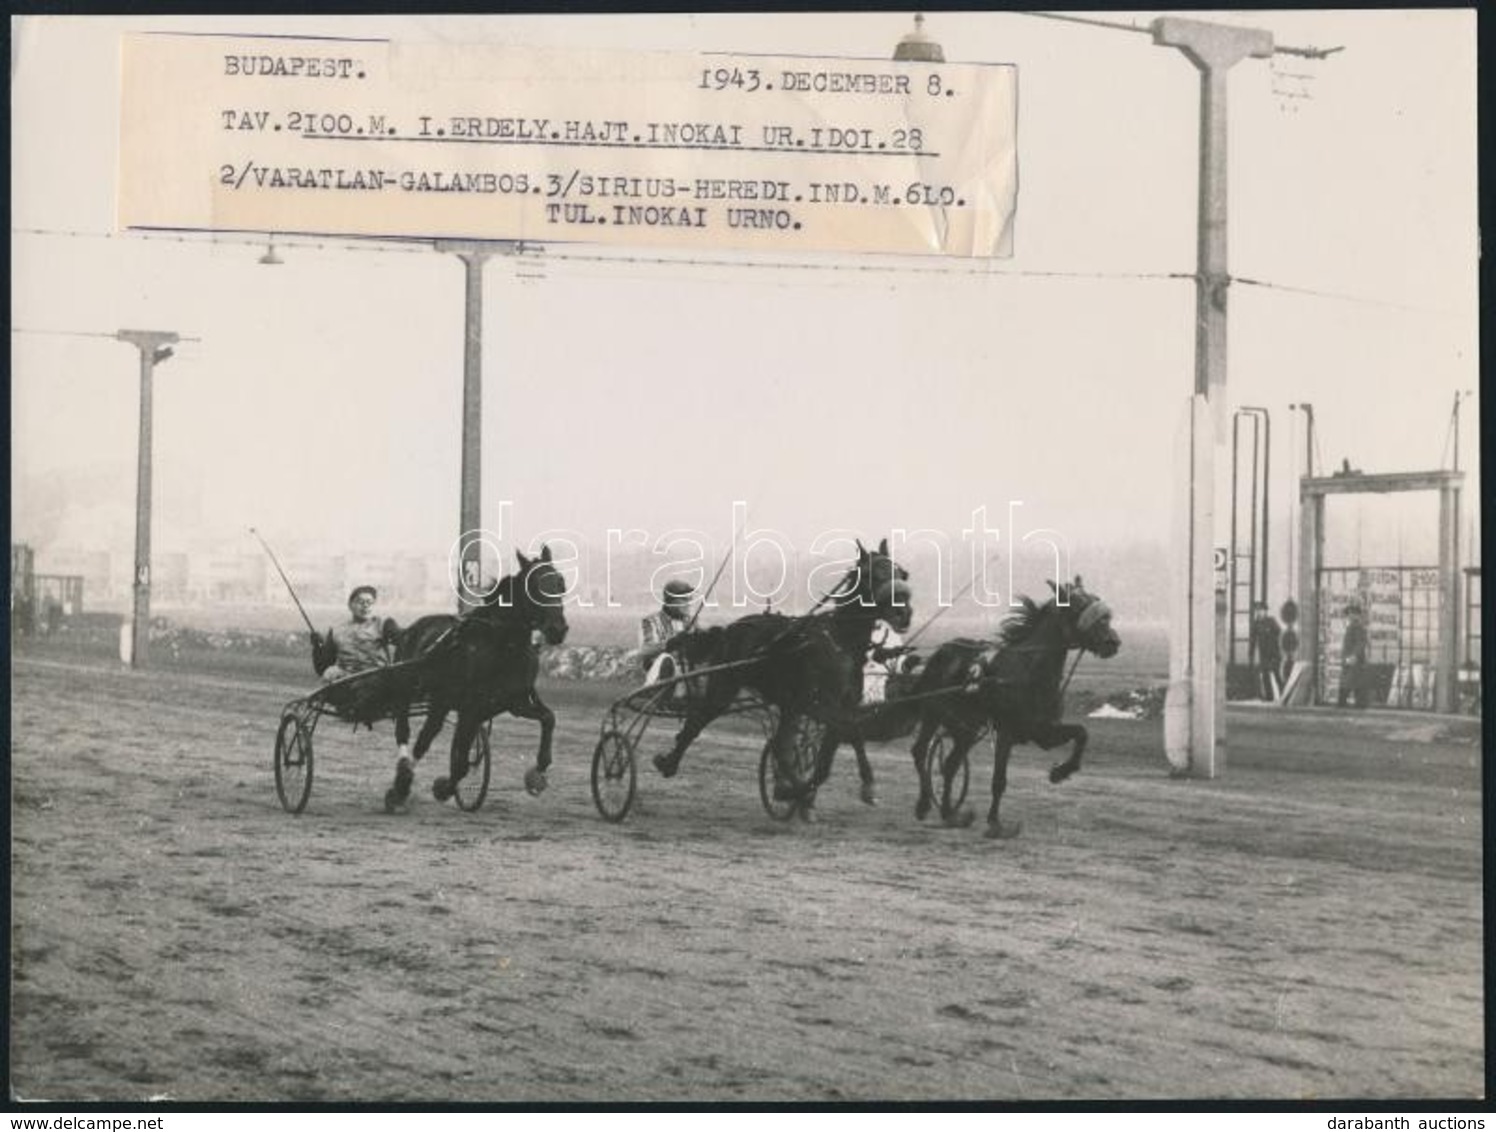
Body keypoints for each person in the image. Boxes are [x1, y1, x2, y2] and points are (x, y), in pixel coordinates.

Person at [312, 585, 401, 683]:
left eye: (369, 603)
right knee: (329, 673)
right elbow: (322, 668)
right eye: (360, 602)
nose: (365, 606)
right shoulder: (336, 630)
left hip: (376, 677)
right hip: (346, 680)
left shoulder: (384, 624)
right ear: (350, 605)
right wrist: (317, 647)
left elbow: (403, 641)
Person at [638, 580, 696, 685]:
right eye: (684, 599)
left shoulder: (691, 622)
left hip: (687, 679)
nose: (689, 602)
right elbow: (645, 651)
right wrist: (670, 643)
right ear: (670, 601)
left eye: (689, 598)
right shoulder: (651, 621)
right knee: (666, 659)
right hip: (659, 680)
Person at [863, 617, 911, 705]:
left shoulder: (892, 635)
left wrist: (906, 664)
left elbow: (898, 663)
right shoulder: (855, 633)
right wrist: (885, 653)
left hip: (881, 686)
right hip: (858, 684)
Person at [1338, 604, 1370, 708]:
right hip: (1351, 662)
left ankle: (1344, 705)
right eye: (1349, 614)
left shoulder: (1357, 627)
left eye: (1351, 613)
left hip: (1353, 662)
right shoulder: (1353, 626)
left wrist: (1353, 656)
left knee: (1348, 686)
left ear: (1356, 615)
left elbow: (1361, 643)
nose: (1349, 616)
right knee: (1354, 686)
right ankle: (1356, 705)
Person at [1250, 603, 1282, 702]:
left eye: (1261, 610)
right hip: (1263, 653)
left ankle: (1284, 695)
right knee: (1265, 676)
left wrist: (1270, 635)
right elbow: (1253, 639)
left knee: (1277, 674)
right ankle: (1269, 697)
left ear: (1265, 611)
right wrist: (1251, 653)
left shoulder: (1271, 621)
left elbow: (1278, 631)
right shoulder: (1256, 624)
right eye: (1257, 611)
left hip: (1274, 653)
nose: (1259, 613)